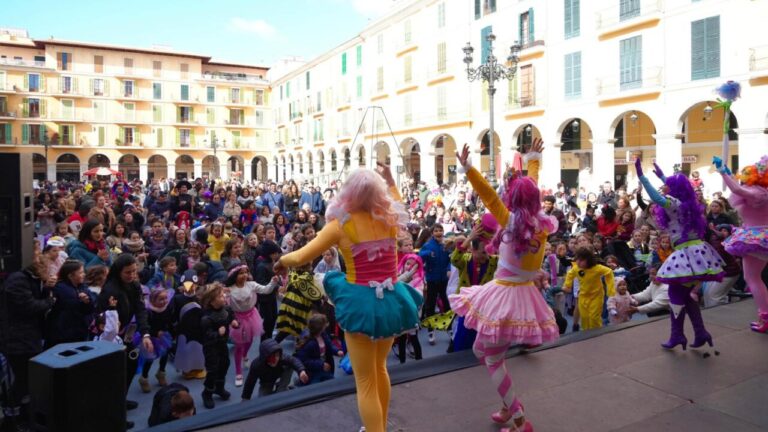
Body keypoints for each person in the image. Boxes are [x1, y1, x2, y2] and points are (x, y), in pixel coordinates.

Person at [274, 163, 422, 432]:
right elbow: (400, 203)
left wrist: (281, 261)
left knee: (365, 380)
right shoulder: (390, 217)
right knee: (380, 369)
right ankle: (381, 427)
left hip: (361, 305)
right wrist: (389, 179)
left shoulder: (340, 225)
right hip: (391, 300)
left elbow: (302, 256)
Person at [449, 139, 558, 432]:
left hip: (505, 297)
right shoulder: (542, 224)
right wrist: (533, 160)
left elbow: (486, 195)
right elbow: (530, 185)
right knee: (482, 351)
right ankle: (507, 404)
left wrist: (468, 167)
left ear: (513, 198)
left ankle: (520, 419)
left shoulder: (509, 221)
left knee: (491, 358)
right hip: (522, 296)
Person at [635, 159, 725, 350]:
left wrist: (642, 177)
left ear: (674, 189)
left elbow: (656, 197)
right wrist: (661, 175)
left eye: (667, 185)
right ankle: (699, 333)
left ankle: (679, 335)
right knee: (683, 295)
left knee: (676, 293)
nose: (664, 187)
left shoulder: (673, 203)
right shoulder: (687, 202)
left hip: (687, 254)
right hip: (696, 251)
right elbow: (675, 185)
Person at [97, 254, 153, 426]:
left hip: (128, 334)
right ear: (118, 272)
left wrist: (145, 334)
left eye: (134, 271)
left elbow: (140, 309)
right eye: (128, 272)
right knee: (115, 374)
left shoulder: (134, 285)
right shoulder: (110, 291)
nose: (132, 275)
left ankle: (121, 400)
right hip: (112, 339)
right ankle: (115, 415)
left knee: (130, 367)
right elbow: (103, 320)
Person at [0, 257, 55, 431]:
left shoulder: (32, 279)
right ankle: (12, 420)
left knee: (27, 380)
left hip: (29, 338)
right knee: (17, 381)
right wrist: (49, 301)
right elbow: (28, 306)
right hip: (16, 341)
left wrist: (46, 290)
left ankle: (25, 415)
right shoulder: (17, 280)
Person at [714, 155, 768, 332]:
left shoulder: (758, 193)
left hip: (756, 237)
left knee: (752, 278)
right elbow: (739, 188)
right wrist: (728, 173)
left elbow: (737, 190)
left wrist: (722, 173)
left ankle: (765, 317)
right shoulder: (761, 191)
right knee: (753, 277)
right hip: (758, 234)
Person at [448, 219, 499, 352]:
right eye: (483, 252)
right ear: (472, 250)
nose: (486, 256)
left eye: (488, 252)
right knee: (463, 336)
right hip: (467, 305)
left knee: (482, 337)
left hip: (485, 306)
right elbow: (454, 259)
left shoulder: (493, 261)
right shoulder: (465, 260)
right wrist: (470, 237)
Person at [225, 264, 278, 387]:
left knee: (249, 340)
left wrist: (273, 282)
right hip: (238, 318)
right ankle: (238, 372)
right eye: (240, 273)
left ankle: (245, 355)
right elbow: (226, 306)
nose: (244, 275)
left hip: (252, 315)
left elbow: (266, 290)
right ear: (234, 275)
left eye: (246, 272)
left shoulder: (251, 284)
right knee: (239, 345)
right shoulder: (230, 289)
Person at [199, 283, 236, 409]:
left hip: (222, 344)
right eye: (220, 296)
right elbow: (207, 335)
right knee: (213, 369)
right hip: (210, 347)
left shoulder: (226, 309)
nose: (224, 297)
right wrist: (217, 333)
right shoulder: (207, 318)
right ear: (212, 301)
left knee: (225, 364)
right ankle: (207, 392)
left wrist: (234, 322)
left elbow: (230, 316)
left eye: (223, 294)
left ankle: (219, 388)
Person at [45, 260, 96, 348]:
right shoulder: (59, 287)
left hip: (80, 330)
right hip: (62, 332)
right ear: (70, 275)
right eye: (80, 273)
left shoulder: (83, 287)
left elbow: (91, 306)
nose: (84, 274)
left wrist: (87, 301)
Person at [563, 247, 615, 330]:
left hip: (596, 296)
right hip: (583, 296)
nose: (578, 262)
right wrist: (567, 285)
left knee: (594, 317)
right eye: (577, 260)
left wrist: (611, 289)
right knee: (584, 317)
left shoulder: (597, 268)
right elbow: (570, 274)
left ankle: (596, 333)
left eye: (581, 260)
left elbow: (609, 272)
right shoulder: (576, 268)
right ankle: (587, 335)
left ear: (588, 260)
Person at [241, 338, 308, 399]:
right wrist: (245, 398)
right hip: (266, 383)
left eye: (277, 355)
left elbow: (293, 360)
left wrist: (301, 371)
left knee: (290, 365)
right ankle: (278, 389)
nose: (275, 359)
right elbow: (250, 382)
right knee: (263, 400)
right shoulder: (256, 365)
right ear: (265, 357)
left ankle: (282, 387)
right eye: (272, 357)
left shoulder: (281, 357)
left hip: (279, 374)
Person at [418, 224, 451, 345]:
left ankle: (450, 328)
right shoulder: (428, 245)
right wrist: (428, 253)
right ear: (432, 233)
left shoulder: (446, 244)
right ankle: (431, 332)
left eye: (440, 230)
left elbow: (450, 259)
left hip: (444, 280)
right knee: (430, 306)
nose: (438, 233)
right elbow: (420, 256)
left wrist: (448, 269)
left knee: (447, 305)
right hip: (432, 280)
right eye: (436, 231)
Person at [138, 289, 174, 393]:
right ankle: (144, 378)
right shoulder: (149, 312)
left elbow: (169, 321)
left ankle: (161, 373)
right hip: (151, 338)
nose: (164, 301)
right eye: (160, 299)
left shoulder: (167, 309)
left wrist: (171, 331)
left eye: (165, 298)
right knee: (149, 358)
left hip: (164, 336)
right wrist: (155, 333)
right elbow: (145, 326)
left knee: (165, 354)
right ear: (153, 301)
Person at [294, 314, 343, 385]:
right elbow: (303, 360)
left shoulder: (323, 334)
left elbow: (329, 344)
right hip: (313, 372)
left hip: (324, 369)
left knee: (332, 384)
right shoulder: (309, 343)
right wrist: (321, 364)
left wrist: (337, 351)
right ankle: (299, 382)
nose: (327, 324)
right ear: (320, 327)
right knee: (315, 390)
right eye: (325, 323)